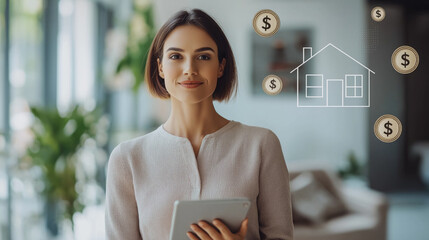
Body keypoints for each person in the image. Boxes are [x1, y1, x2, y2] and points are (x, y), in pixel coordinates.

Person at [105, 8, 294, 240]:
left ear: (221, 67)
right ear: (161, 67)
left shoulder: (262, 145)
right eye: (176, 56)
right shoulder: (127, 159)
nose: (189, 69)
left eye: (203, 57)